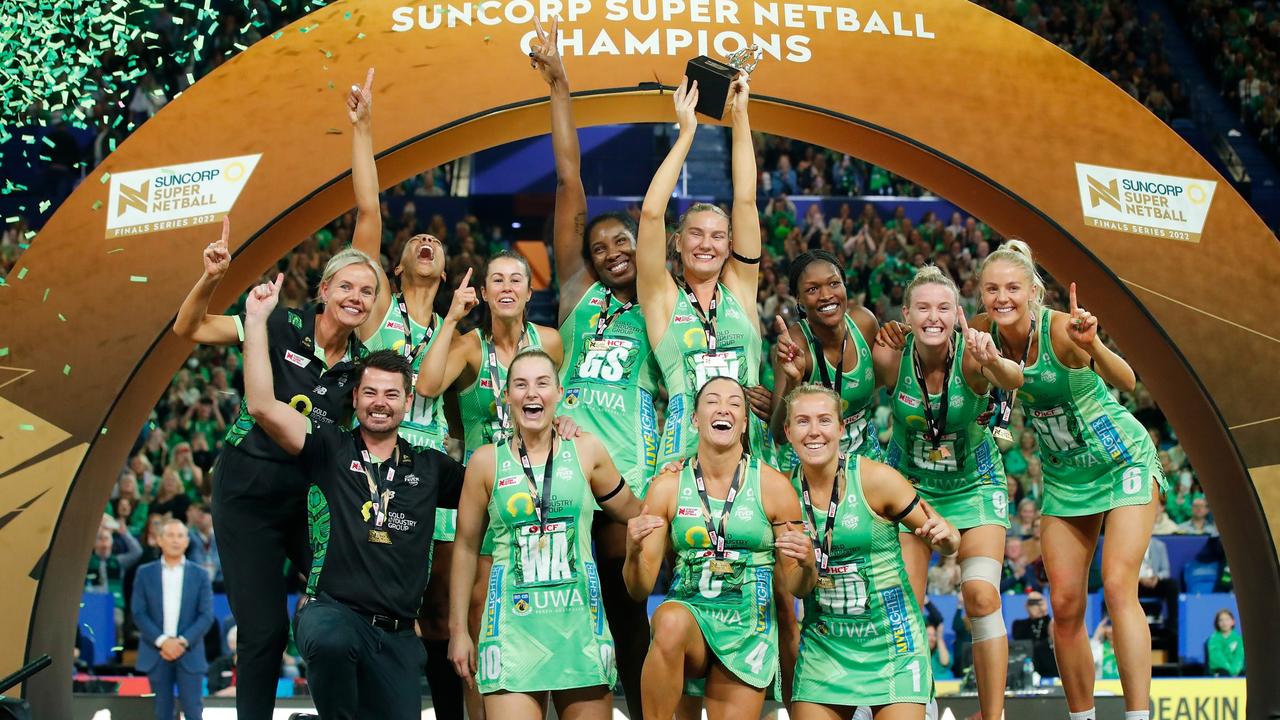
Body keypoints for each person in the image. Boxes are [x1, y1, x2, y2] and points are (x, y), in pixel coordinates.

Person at [171, 70, 385, 720]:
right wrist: (209, 280)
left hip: (310, 499)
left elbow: (370, 216)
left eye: (367, 291)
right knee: (262, 634)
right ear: (322, 292)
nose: (355, 295)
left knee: (342, 609)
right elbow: (189, 328)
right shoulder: (278, 321)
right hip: (247, 494)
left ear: (374, 305)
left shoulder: (365, 369)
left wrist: (362, 129)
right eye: (344, 286)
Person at [242, 274, 463, 720]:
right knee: (330, 639)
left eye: (391, 394)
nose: (380, 402)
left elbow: (493, 480)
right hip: (332, 614)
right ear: (355, 398)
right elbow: (263, 406)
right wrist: (256, 321)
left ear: (406, 403)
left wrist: (552, 427)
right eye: (370, 392)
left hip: (398, 637)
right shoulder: (329, 447)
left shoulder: (431, 466)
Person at [974, 239, 1165, 720]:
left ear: (1032, 292)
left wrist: (1094, 344)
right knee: (1063, 603)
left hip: (1122, 462)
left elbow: (1126, 381)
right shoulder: (982, 333)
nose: (1003, 297)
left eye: (1013, 288)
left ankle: (1138, 715)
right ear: (981, 294)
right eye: (992, 288)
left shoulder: (1061, 328)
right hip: (1064, 478)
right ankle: (1083, 716)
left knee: (1120, 586)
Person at [533, 19, 658, 719]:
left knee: (624, 615)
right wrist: (560, 86)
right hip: (565, 462)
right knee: (558, 606)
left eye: (624, 240)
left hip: (629, 473)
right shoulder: (578, 296)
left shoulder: (659, 310)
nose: (612, 249)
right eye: (601, 242)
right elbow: (569, 176)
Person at [346, 68, 463, 717]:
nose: (426, 239)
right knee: (374, 607)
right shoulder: (379, 307)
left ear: (444, 272)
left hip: (429, 474)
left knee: (440, 610)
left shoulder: (453, 333)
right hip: (369, 465)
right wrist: (363, 129)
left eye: (436, 242)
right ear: (393, 267)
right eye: (415, 239)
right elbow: (370, 211)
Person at [447, 348, 643, 718]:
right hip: (511, 632)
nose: (531, 393)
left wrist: (678, 482)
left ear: (558, 392)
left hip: (581, 629)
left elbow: (634, 512)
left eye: (542, 383)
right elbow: (466, 548)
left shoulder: (586, 449)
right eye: (520, 385)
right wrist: (459, 630)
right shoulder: (486, 462)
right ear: (507, 397)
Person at [872, 265, 1024, 720]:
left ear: (956, 313)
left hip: (974, 488)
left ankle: (992, 715)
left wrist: (994, 359)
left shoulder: (973, 357)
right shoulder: (890, 358)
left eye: (943, 308)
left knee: (981, 597)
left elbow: (1014, 380)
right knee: (904, 603)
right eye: (923, 308)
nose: (933, 317)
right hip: (910, 493)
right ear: (906, 314)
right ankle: (917, 701)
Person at [623, 376, 816, 719]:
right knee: (668, 619)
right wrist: (633, 550)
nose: (723, 408)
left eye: (734, 403)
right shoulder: (667, 487)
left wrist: (807, 564)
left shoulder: (774, 487)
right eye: (711, 401)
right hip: (690, 621)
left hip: (747, 628)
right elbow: (638, 590)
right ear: (695, 419)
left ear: (744, 422)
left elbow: (799, 588)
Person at [782, 384, 960, 719]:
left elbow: (946, 539)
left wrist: (948, 536)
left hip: (893, 645)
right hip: (825, 651)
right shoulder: (782, 491)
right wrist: (807, 565)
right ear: (788, 431)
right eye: (803, 422)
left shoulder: (876, 479)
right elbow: (798, 587)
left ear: (840, 428)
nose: (814, 431)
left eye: (824, 420)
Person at [636, 74, 767, 466]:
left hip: (753, 456)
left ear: (730, 246)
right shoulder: (661, 296)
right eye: (694, 234)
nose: (705, 244)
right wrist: (686, 133)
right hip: (682, 459)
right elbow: (650, 213)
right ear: (677, 241)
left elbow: (745, 199)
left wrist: (740, 116)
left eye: (716, 236)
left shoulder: (741, 288)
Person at [770, 249, 883, 469]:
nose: (826, 295)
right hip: (806, 465)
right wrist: (793, 383)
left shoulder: (864, 323)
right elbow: (779, 435)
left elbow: (881, 382)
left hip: (863, 457)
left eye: (833, 284)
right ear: (799, 299)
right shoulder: (794, 343)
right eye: (813, 289)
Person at [131, 518, 215, 720]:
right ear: (159, 540)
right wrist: (163, 642)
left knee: (194, 711)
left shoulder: (201, 575)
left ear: (187, 541)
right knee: (161, 712)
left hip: (190, 652)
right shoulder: (144, 573)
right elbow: (138, 613)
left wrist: (181, 642)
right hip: (156, 652)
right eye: (170, 535)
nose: (175, 540)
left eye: (180, 536)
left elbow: (206, 615)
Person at [1011, 592, 1058, 678]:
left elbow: (1053, 638)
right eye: (1032, 602)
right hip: (1027, 668)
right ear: (1026, 605)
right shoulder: (1019, 624)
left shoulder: (1050, 623)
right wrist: (1033, 616)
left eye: (1038, 602)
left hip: (1050, 668)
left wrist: (1045, 612)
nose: (1035, 605)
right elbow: (1022, 643)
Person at [185, 503, 222, 590]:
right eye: (198, 515)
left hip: (220, 585)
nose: (200, 518)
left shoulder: (220, 536)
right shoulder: (190, 535)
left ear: (212, 516)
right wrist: (190, 523)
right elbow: (180, 540)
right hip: (195, 584)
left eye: (203, 514)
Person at [1206, 609, 1244, 677]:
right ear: (1217, 623)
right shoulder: (1214, 639)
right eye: (1221, 620)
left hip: (1237, 671)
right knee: (1223, 673)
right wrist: (1229, 670)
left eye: (1227, 619)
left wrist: (1234, 670)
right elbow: (1217, 657)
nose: (1224, 623)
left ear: (1233, 622)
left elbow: (1239, 656)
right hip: (1221, 670)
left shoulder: (1239, 639)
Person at [208, 625, 238, 696]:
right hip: (221, 703)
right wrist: (227, 692)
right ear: (230, 644)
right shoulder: (219, 664)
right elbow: (212, 691)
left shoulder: (255, 666)